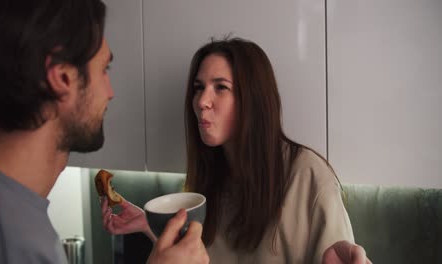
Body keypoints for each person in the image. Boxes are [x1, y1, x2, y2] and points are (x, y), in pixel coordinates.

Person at [0, 0, 208, 263]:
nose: (110, 92)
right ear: (62, 78)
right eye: (103, 69)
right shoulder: (12, 244)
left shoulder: (5, 212)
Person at [102, 37, 371, 263]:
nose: (202, 101)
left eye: (221, 87)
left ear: (252, 99)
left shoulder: (309, 176)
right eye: (198, 88)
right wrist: (151, 226)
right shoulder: (211, 179)